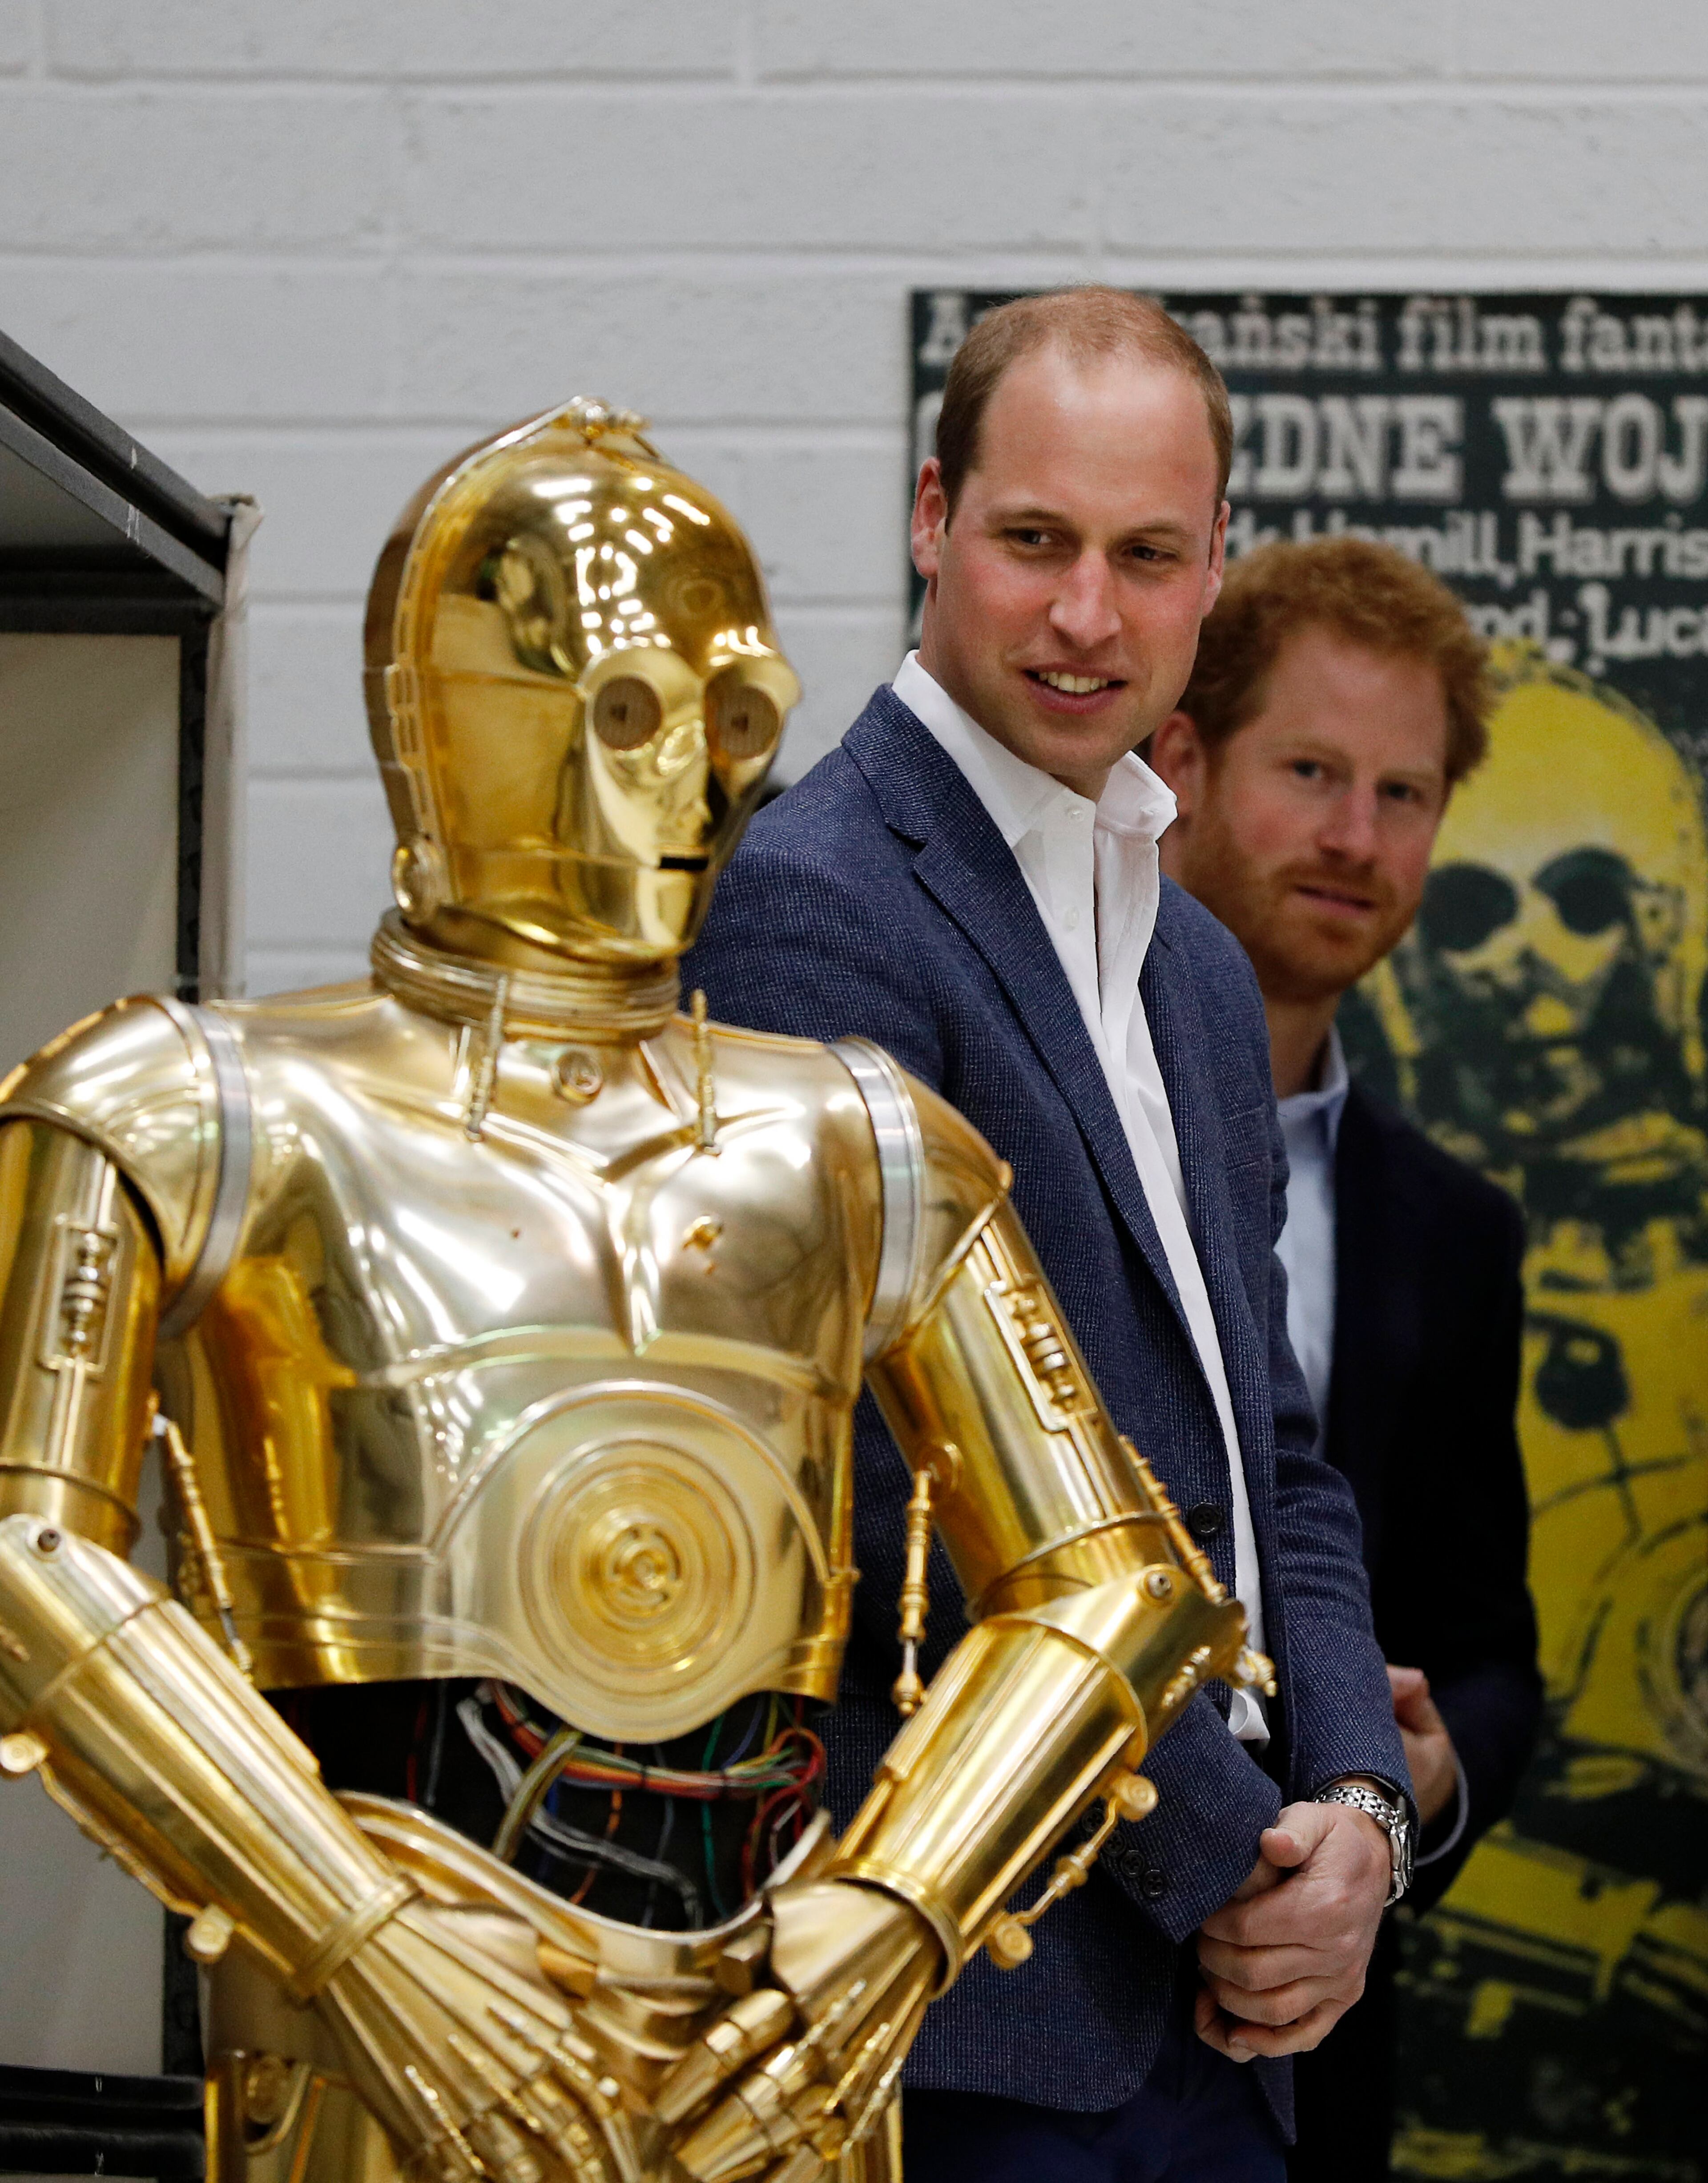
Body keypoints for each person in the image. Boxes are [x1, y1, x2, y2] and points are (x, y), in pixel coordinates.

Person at [0, 399, 1275, 2183]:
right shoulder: (184, 1105)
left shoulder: (860, 1140)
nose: (689, 777)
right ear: (449, 715)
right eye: (621, 712)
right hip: (372, 2060)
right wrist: (347, 1926)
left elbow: (1117, 1581)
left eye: (732, 718)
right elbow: (24, 1548)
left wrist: (893, 1913)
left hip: (780, 2051)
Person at [685, 288, 1412, 2181]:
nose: (1089, 613)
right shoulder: (814, 904)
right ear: (934, 518)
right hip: (971, 2010)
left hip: (1217, 2017)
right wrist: (1240, 1857)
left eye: (1146, 555)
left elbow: (1275, 1465)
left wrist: (1357, 1812)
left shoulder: (1196, 968)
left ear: (1213, 567)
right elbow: (887, 1489)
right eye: (1036, 540)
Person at [1148, 537, 1544, 2178]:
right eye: (1309, 771)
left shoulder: (1454, 1231)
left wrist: (1424, 1783)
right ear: (1181, 761)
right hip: (1008, 2006)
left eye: (1403, 793)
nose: (1354, 838)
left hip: (1313, 2063)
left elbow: (1492, 1651)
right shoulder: (998, 1114)